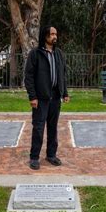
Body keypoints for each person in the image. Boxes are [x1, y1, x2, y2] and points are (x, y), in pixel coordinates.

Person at [24, 25, 70, 170]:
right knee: (38, 128)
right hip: (41, 98)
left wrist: (65, 93)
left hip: (55, 98)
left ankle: (51, 155)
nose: (55, 36)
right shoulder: (35, 54)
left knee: (53, 128)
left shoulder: (59, 54)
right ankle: (34, 157)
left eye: (56, 34)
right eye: (52, 34)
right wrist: (33, 96)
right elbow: (29, 76)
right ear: (45, 36)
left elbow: (62, 75)